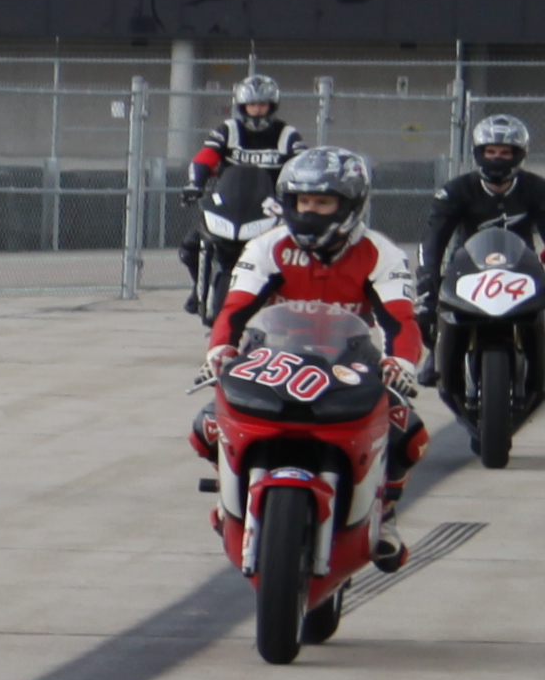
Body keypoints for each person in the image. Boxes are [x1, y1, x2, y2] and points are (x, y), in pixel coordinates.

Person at [206, 145, 429, 569]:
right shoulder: (265, 246)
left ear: (351, 205)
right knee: (205, 426)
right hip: (271, 359)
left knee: (409, 433)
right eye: (302, 201)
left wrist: (400, 363)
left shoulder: (381, 253)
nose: (310, 211)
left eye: (323, 202)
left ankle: (384, 515)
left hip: (350, 363)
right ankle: (226, 498)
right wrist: (220, 351)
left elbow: (400, 320)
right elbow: (234, 310)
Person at [416, 113, 540, 395]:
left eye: (505, 152)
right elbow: (433, 240)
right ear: (478, 153)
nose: (497, 158)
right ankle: (437, 355)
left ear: (519, 155)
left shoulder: (537, 189)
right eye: (490, 151)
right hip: (467, 268)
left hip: (523, 270)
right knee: (425, 311)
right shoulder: (455, 190)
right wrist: (427, 282)